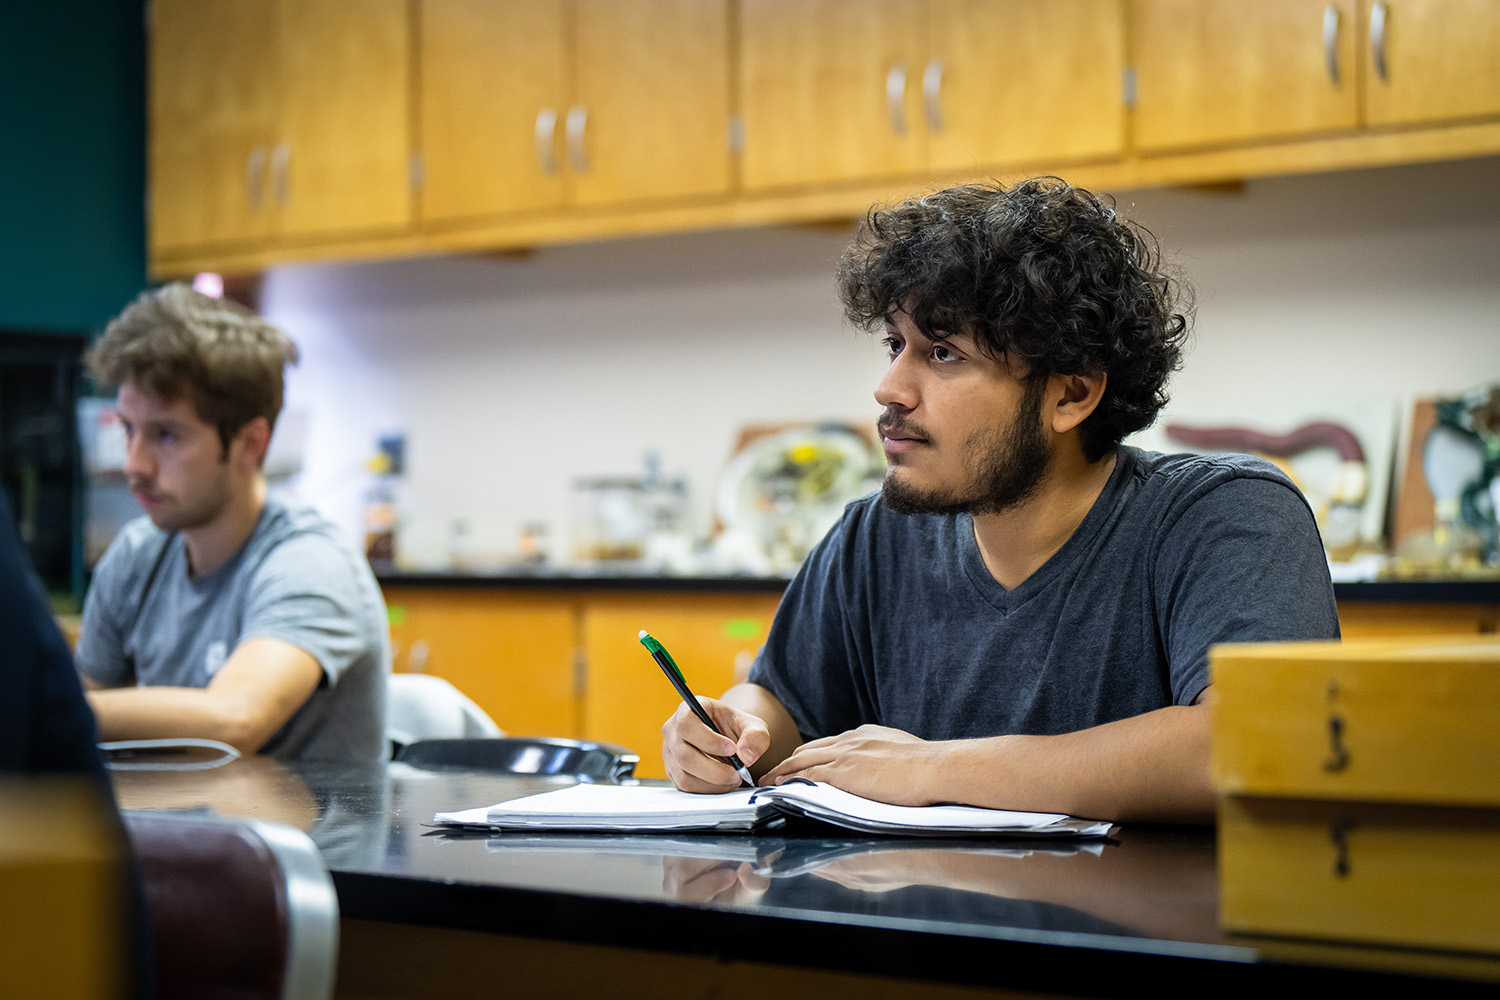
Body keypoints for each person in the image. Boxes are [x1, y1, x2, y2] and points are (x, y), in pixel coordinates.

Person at [663, 178, 1339, 823]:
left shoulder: (1228, 514)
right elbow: (783, 707)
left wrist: (934, 770)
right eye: (896, 344)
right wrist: (733, 732)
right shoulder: (872, 536)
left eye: (944, 353)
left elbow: (1252, 743)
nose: (889, 388)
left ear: (1071, 394)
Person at [75, 283, 390, 763]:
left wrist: (47, 711)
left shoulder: (310, 563)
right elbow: (74, 725)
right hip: (180, 830)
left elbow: (234, 720)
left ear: (250, 444)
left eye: (165, 435)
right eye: (128, 429)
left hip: (304, 838)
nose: (134, 464)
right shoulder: (136, 555)